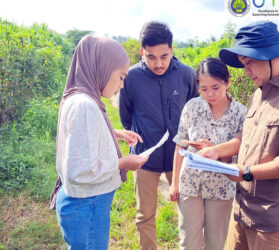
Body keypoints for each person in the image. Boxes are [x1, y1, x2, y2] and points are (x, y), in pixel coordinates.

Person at [199, 21, 279, 249]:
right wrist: (216, 152)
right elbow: (244, 137)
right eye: (243, 64)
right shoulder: (261, 93)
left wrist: (246, 173)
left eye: (249, 63)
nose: (246, 71)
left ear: (271, 56)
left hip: (274, 220)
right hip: (243, 210)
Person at [51, 35, 149, 249]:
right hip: (87, 206)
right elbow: (78, 170)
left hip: (84, 205)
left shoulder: (78, 97)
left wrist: (114, 133)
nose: (122, 86)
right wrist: (123, 164)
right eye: (121, 77)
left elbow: (79, 137)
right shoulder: (84, 105)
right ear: (102, 67)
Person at [118, 21, 197, 250]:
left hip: (180, 156)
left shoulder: (187, 74)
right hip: (144, 157)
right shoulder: (130, 78)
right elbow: (126, 117)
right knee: (144, 215)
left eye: (164, 56)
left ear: (172, 50)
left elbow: (194, 112)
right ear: (141, 52)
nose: (158, 63)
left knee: (189, 212)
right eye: (151, 57)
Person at [169, 58, 247, 250]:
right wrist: (174, 183)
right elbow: (180, 145)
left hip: (222, 186)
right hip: (190, 183)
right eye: (204, 89)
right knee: (188, 242)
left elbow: (240, 149)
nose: (210, 94)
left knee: (215, 242)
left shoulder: (240, 113)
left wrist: (217, 150)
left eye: (215, 87)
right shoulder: (192, 107)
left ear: (227, 82)